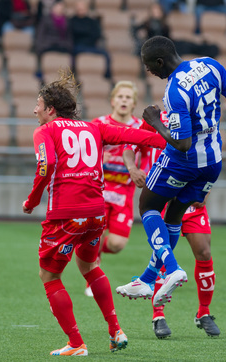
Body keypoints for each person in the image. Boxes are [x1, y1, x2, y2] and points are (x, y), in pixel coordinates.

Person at [115, 36, 226, 307]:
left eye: (149, 66)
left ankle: (171, 269)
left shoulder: (174, 91)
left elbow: (182, 143)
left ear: (160, 62)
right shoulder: (210, 66)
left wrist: (154, 122)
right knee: (173, 216)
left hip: (183, 160)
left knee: (148, 207)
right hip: (213, 162)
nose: (149, 71)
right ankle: (149, 279)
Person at [22, 74, 167, 356]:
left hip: (65, 214)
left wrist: (33, 200)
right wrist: (167, 141)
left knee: (49, 276)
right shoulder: (92, 128)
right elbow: (131, 135)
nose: (34, 110)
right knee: (89, 267)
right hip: (96, 214)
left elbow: (46, 163)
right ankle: (116, 331)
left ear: (51, 109)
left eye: (38, 104)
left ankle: (76, 343)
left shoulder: (45, 131)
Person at [119, 112, 221, 339]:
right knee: (164, 255)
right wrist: (132, 169)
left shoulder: (200, 119)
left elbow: (210, 154)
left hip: (190, 200)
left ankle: (204, 312)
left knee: (204, 252)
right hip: (163, 195)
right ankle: (158, 315)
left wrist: (206, 190)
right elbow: (129, 145)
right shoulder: (156, 118)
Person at [83, 82, 143, 296]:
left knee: (117, 244)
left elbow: (147, 153)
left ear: (134, 103)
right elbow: (84, 153)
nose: (124, 100)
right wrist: (98, 157)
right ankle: (92, 277)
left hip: (124, 192)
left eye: (128, 97)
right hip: (99, 189)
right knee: (95, 234)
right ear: (113, 100)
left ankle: (88, 250)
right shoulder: (98, 124)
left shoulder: (141, 127)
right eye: (120, 96)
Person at [70, 0, 111, 79]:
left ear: (86, 9)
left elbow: (97, 34)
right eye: (79, 9)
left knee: (106, 54)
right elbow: (72, 34)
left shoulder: (92, 21)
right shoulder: (71, 21)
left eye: (82, 9)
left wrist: (82, 33)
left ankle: (107, 75)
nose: (80, 10)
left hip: (91, 45)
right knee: (71, 55)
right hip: (77, 46)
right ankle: (74, 76)